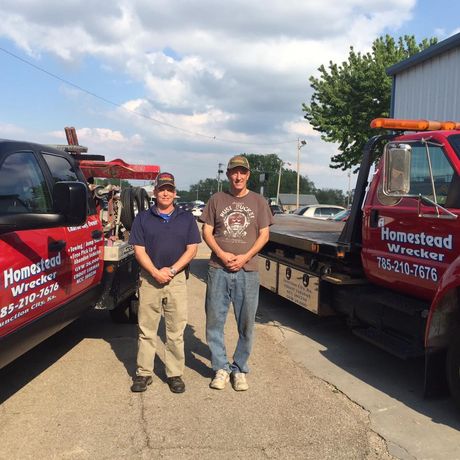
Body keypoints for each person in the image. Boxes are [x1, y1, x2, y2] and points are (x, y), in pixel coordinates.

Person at [200, 155, 273, 391]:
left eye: (242, 172)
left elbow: (264, 234)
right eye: (234, 172)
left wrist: (245, 257)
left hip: (247, 270)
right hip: (218, 269)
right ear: (228, 174)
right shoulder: (217, 199)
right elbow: (207, 231)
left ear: (248, 174)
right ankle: (220, 368)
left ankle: (239, 368)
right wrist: (222, 254)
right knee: (214, 320)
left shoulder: (259, 201)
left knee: (246, 323)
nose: (238, 176)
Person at [128, 172, 201, 393]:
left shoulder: (186, 218)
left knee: (175, 330)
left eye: (169, 189)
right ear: (155, 192)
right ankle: (143, 373)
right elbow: (138, 249)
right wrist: (154, 272)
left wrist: (172, 270)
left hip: (176, 279)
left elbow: (192, 249)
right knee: (147, 329)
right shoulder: (143, 218)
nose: (166, 193)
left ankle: (175, 374)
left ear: (175, 193)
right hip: (150, 279)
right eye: (162, 189)